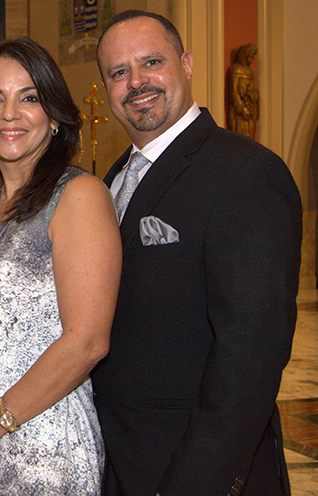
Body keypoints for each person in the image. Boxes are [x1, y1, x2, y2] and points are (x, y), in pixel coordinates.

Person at [93, 10, 302, 496]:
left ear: (186, 64)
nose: (136, 81)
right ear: (105, 88)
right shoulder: (110, 182)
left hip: (192, 465)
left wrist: (197, 483)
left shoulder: (245, 173)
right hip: (118, 461)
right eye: (118, 72)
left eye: (151, 61)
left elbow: (250, 357)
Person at [0, 37, 121, 495]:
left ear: (54, 116)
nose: (9, 113)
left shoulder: (79, 195)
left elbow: (88, 341)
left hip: (40, 442)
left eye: (29, 97)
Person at [227, 43, 260, 140]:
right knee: (241, 138)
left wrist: (255, 95)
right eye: (250, 56)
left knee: (251, 137)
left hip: (251, 108)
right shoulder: (236, 70)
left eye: (253, 57)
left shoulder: (251, 71)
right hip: (240, 110)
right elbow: (234, 92)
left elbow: (252, 88)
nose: (251, 59)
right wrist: (242, 109)